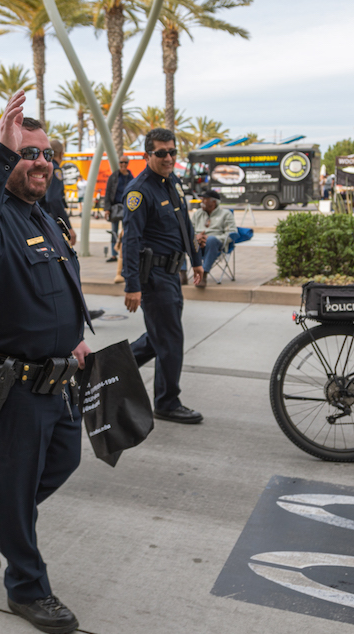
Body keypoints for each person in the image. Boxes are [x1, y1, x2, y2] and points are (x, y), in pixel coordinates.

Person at [0, 91, 93, 634]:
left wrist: (75, 339)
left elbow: (55, 288)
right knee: (18, 489)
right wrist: (2, 153)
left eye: (47, 155)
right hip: (8, 385)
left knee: (62, 463)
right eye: (29, 154)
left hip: (55, 378)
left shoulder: (43, 215)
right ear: (7, 159)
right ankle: (27, 588)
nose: (42, 163)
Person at [122, 128, 204, 424]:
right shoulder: (139, 190)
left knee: (159, 338)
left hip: (173, 273)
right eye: (161, 153)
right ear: (147, 155)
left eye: (172, 152)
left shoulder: (172, 181)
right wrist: (132, 286)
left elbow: (185, 223)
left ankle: (109, 372)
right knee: (170, 339)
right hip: (153, 277)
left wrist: (196, 259)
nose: (168, 157)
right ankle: (167, 402)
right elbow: (130, 241)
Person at [190, 189, 236, 287]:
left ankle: (203, 274)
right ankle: (182, 273)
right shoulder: (198, 213)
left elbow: (232, 233)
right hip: (196, 243)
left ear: (213, 202)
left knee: (211, 240)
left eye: (205, 199)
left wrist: (209, 238)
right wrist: (196, 237)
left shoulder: (226, 214)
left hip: (215, 245)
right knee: (180, 238)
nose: (202, 201)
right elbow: (189, 230)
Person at [103, 155, 133, 262]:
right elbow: (108, 193)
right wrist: (107, 208)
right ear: (119, 163)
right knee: (114, 232)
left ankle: (124, 253)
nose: (123, 165)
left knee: (126, 232)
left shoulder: (131, 177)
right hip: (115, 207)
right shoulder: (114, 176)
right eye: (121, 162)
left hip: (127, 208)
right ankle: (114, 254)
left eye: (125, 162)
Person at [38, 139, 68, 224]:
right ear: (61, 154)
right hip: (50, 218)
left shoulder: (42, 167)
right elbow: (53, 199)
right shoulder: (55, 170)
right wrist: (66, 225)